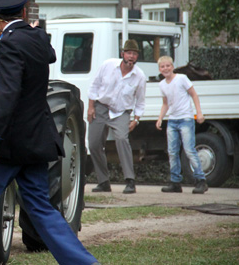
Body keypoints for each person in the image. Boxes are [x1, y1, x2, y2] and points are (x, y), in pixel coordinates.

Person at [0, 0, 98, 265]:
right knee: (42, 209)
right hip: (37, 142)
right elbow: (50, 55)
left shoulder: (9, 43)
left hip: (9, 146)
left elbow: (9, 98)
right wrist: (38, 31)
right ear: (24, 10)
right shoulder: (37, 38)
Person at [87, 39, 146, 194]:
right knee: (93, 144)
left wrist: (136, 120)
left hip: (121, 112)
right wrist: (91, 107)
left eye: (134, 54)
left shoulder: (139, 76)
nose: (131, 56)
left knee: (121, 139)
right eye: (129, 53)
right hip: (101, 107)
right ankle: (103, 181)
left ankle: (130, 180)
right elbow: (94, 85)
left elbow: (140, 102)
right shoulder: (108, 65)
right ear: (122, 54)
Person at [156, 56, 208, 194]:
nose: (166, 68)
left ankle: (201, 180)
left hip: (185, 119)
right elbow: (165, 103)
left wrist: (199, 112)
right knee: (172, 152)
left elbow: (194, 95)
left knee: (189, 149)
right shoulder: (162, 84)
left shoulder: (182, 78)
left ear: (172, 66)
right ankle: (175, 182)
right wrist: (160, 118)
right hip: (172, 121)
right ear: (159, 69)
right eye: (163, 66)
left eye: (168, 65)